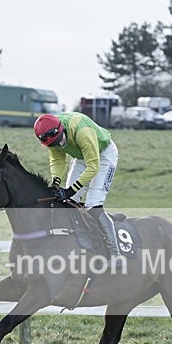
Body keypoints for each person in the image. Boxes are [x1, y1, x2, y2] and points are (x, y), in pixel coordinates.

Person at [33, 112, 123, 269]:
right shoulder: (51, 137)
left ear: (61, 129)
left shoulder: (81, 130)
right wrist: (56, 182)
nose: (59, 145)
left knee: (93, 204)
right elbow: (57, 160)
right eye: (54, 144)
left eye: (60, 140)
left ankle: (115, 254)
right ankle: (78, 242)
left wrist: (70, 190)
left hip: (103, 155)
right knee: (68, 203)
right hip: (81, 156)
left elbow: (93, 166)